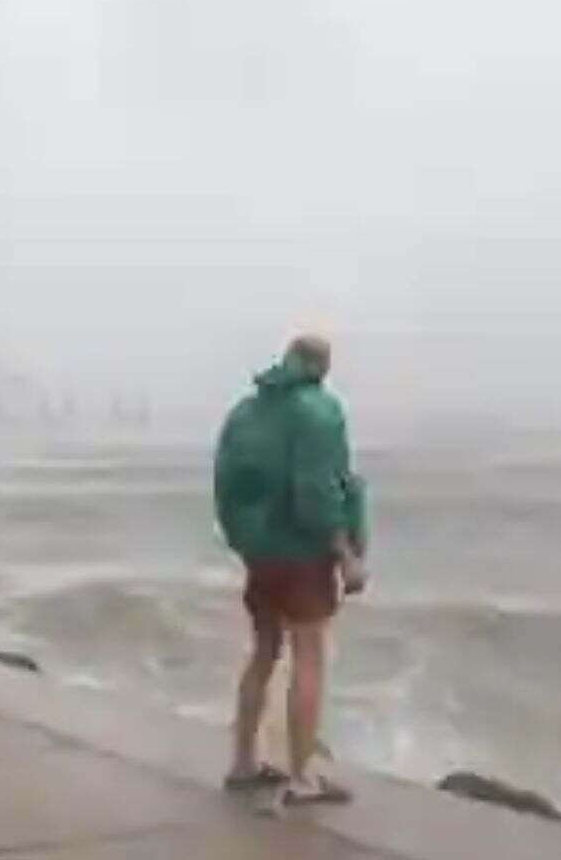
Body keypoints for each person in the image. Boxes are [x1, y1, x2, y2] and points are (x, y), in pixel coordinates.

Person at [214, 334, 369, 806]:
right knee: (309, 657)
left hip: (260, 554)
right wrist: (344, 552)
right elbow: (317, 490)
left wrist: (245, 542)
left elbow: (226, 484)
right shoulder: (319, 411)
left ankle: (243, 762)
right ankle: (302, 776)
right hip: (303, 555)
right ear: (320, 365)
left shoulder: (246, 412)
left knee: (263, 651)